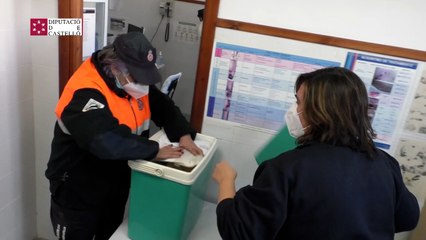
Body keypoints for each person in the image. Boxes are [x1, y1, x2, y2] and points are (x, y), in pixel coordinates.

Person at [213, 67, 420, 240]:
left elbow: (238, 231)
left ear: (318, 110)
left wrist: (226, 181)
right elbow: (408, 218)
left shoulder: (285, 168)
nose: (294, 110)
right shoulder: (384, 162)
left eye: (298, 102)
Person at [45, 31, 203, 240]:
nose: (142, 84)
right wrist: (154, 151)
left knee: (111, 234)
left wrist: (183, 133)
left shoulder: (133, 83)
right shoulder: (85, 92)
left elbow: (164, 107)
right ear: (114, 65)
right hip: (78, 192)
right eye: (137, 77)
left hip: (114, 185)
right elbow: (104, 140)